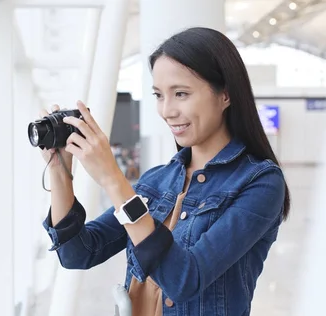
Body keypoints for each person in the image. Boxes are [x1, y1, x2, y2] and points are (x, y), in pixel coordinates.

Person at [38, 27, 290, 316]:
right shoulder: (157, 181)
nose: (167, 110)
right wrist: (59, 171)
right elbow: (78, 253)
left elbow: (184, 279)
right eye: (159, 95)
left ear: (226, 95)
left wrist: (112, 179)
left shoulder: (260, 183)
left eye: (181, 94)